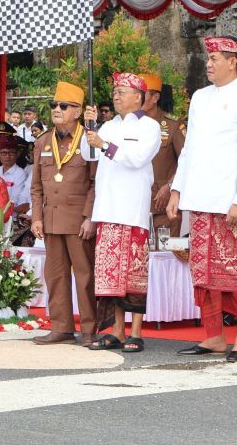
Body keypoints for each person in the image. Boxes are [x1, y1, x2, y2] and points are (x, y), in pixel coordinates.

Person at [167, 36, 237, 362]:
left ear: (233, 61)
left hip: (227, 201)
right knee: (203, 272)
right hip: (199, 197)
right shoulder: (199, 97)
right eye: (208, 58)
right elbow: (189, 148)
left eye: (215, 58)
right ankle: (214, 337)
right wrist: (178, 190)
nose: (208, 63)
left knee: (234, 270)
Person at [84, 73, 161, 354]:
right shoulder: (108, 125)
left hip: (132, 209)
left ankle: (137, 332)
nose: (116, 96)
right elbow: (88, 155)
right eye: (115, 91)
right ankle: (116, 330)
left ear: (138, 97)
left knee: (134, 273)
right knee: (110, 275)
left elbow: (137, 158)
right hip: (107, 208)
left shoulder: (150, 126)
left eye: (122, 91)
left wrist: (104, 145)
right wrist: (90, 127)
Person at [30, 82, 97, 346]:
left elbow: (96, 183)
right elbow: (36, 186)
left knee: (84, 275)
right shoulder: (43, 141)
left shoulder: (88, 139)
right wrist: (36, 217)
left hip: (78, 218)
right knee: (54, 275)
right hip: (51, 218)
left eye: (64, 106)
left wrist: (90, 216)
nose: (57, 110)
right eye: (54, 105)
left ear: (78, 111)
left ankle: (90, 329)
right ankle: (61, 326)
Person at [140, 73, 186, 237]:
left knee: (165, 257)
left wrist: (170, 186)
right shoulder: (130, 123)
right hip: (136, 205)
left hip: (163, 204)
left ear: (155, 97)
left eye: (142, 93)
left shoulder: (173, 125)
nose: (137, 97)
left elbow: (186, 161)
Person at [0, 136, 30, 216]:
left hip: (11, 216)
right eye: (4, 153)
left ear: (18, 154)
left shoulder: (21, 174)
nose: (7, 156)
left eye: (11, 152)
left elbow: (15, 200)